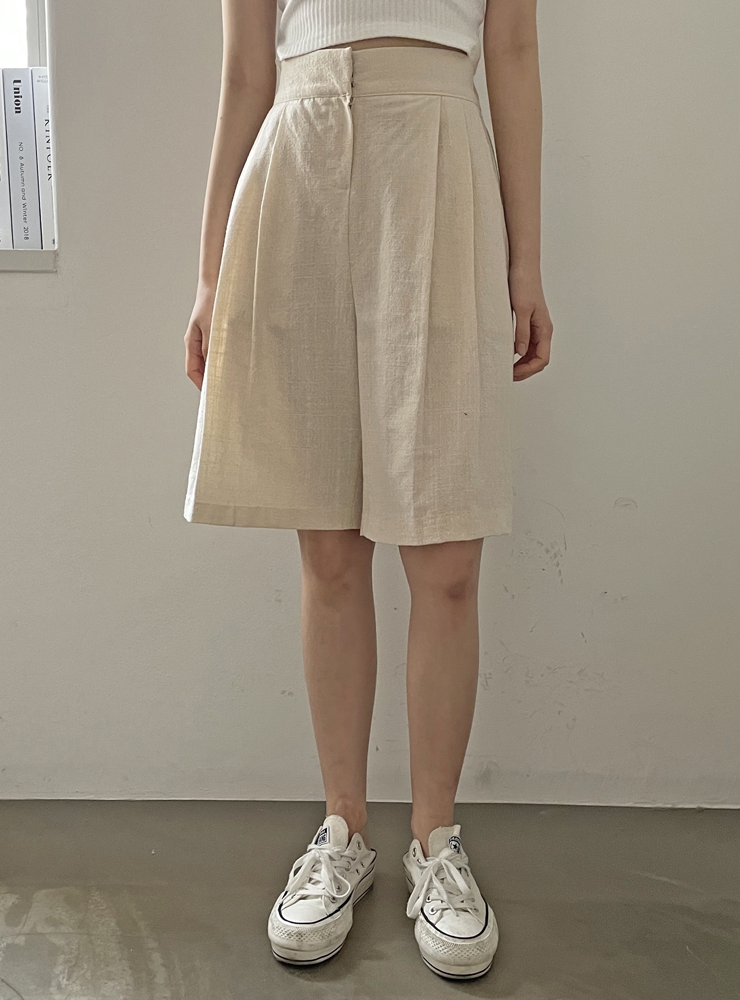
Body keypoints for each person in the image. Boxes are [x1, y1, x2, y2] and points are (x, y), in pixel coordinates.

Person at [183, 0, 551, 981]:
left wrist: (526, 258)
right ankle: (342, 829)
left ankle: (436, 841)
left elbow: (513, 48)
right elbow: (245, 73)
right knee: (331, 551)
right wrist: (211, 274)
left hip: (439, 159)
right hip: (299, 160)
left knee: (447, 552)